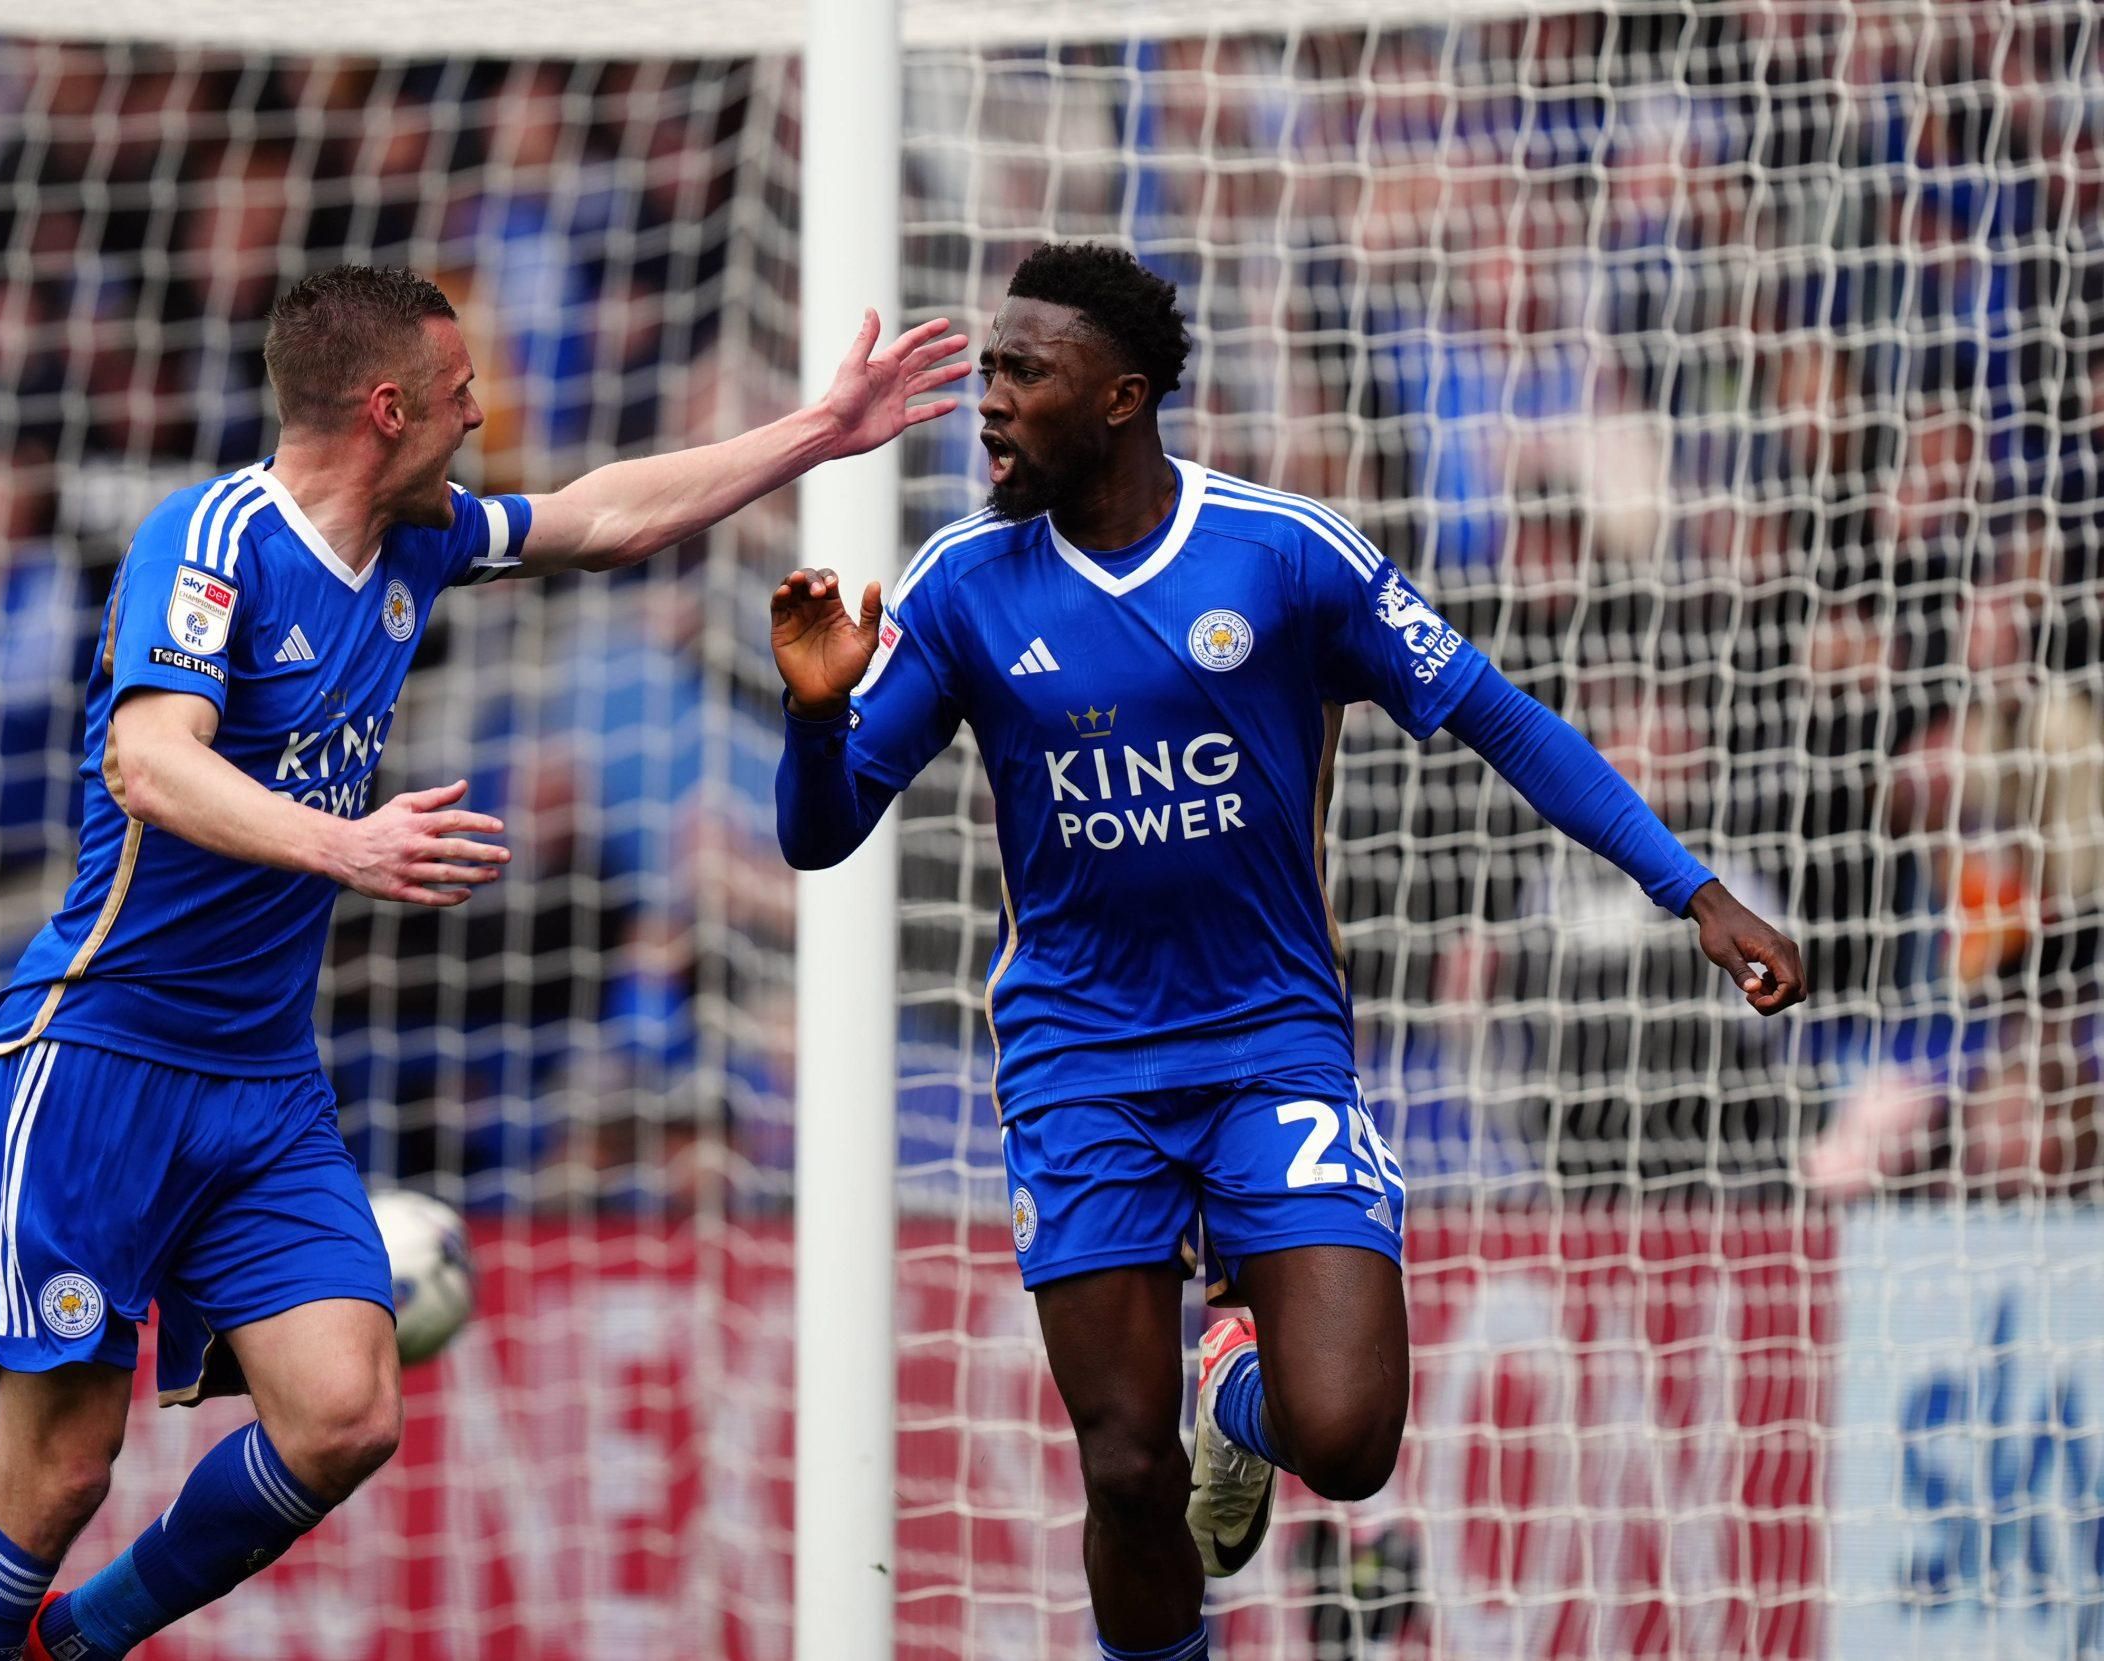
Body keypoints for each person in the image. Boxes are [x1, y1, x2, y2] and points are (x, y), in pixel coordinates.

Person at [768, 242, 1805, 1661]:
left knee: (1349, 1438)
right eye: (990, 369)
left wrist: (1692, 889)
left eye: (1024, 372)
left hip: (1271, 1045)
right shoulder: (960, 587)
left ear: (1123, 397)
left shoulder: (1283, 554)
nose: (990, 400)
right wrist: (816, 717)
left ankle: (1236, 1384)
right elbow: (820, 835)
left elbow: (1502, 719)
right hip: (1081, 1063)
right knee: (1127, 1468)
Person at [0, 264, 966, 1661]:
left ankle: (80, 1640)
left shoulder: (419, 540)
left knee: (344, 1414)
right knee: (57, 1470)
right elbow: (147, 760)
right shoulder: (212, 540)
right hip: (103, 1054)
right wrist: (343, 844)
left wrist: (817, 433)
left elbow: (597, 515)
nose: (481, 417)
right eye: (461, 393)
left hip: (262, 1079)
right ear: (388, 408)